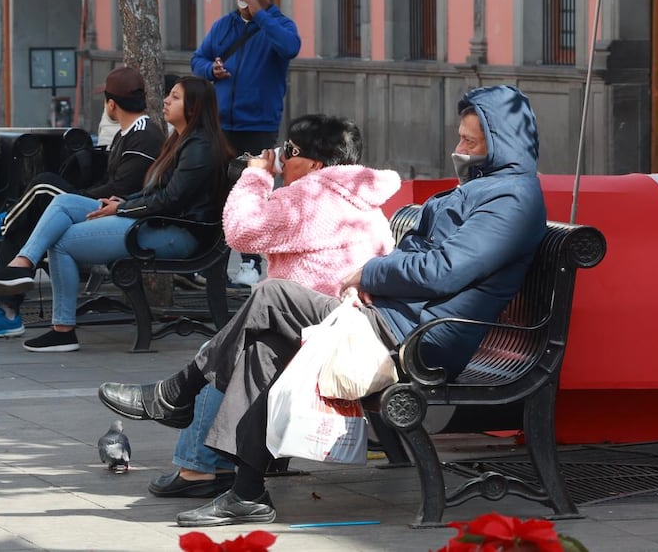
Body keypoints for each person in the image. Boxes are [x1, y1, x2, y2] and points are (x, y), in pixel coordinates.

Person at [97, 84, 548, 526]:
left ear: (500, 142)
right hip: (392, 318)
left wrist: (369, 274)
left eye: (469, 141)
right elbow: (427, 260)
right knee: (265, 344)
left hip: (420, 339)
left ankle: (177, 392)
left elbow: (445, 269)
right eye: (460, 136)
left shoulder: (511, 198)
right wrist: (377, 281)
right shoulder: (489, 189)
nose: (458, 148)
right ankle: (246, 493)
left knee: (271, 294)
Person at [149, 113, 401, 499]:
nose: (282, 159)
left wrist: (255, 176)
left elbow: (241, 232)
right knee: (234, 344)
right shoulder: (363, 199)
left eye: (290, 151)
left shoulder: (312, 195)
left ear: (317, 163)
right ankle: (221, 470)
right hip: (349, 326)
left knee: (224, 351)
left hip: (320, 332)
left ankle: (197, 467)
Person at [0, 76, 232, 353]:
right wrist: (122, 201)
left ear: (194, 108)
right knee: (63, 204)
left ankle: (62, 330)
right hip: (155, 221)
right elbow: (157, 191)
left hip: (176, 234)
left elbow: (170, 200)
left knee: (61, 240)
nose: (166, 100)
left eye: (175, 97)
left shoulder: (200, 147)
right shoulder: (181, 140)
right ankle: (22, 264)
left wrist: (121, 208)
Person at [0, 67, 164, 339]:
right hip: (109, 205)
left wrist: (78, 193)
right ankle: (7, 311)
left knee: (44, 184)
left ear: (111, 104)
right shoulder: (126, 134)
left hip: (122, 212)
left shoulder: (145, 134)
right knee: (30, 215)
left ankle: (3, 224)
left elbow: (121, 187)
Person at [191, 0, 301, 285]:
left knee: (253, 193)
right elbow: (197, 59)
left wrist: (260, 16)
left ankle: (251, 263)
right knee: (220, 192)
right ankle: (214, 261)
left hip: (259, 124)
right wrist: (211, 69)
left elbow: (290, 47)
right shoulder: (224, 25)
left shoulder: (279, 25)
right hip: (222, 124)